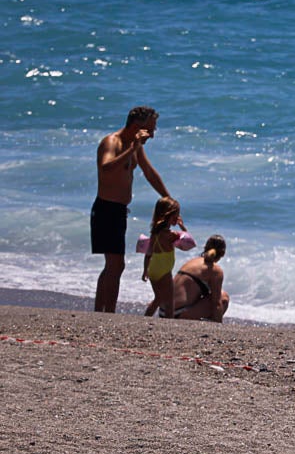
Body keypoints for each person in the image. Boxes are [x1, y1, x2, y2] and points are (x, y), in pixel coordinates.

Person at [92, 106, 174, 313]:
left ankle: (100, 312)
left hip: (119, 211)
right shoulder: (113, 142)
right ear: (138, 127)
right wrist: (132, 148)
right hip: (105, 209)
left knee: (113, 265)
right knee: (115, 265)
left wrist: (167, 197)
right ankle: (106, 313)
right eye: (150, 130)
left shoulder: (134, 146)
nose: (153, 135)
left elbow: (148, 172)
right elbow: (105, 167)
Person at [165, 235, 230, 322]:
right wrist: (219, 327)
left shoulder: (193, 262)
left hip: (165, 311)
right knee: (223, 297)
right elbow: (217, 303)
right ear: (223, 253)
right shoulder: (215, 270)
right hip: (177, 314)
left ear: (205, 248)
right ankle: (212, 325)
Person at [141, 197, 186, 318]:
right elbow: (188, 242)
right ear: (169, 215)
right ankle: (169, 324)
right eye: (176, 215)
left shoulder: (154, 232)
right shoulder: (171, 235)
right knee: (169, 301)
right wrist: (182, 227)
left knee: (158, 299)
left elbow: (148, 253)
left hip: (153, 269)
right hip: (164, 271)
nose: (178, 217)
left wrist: (145, 270)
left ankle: (145, 318)